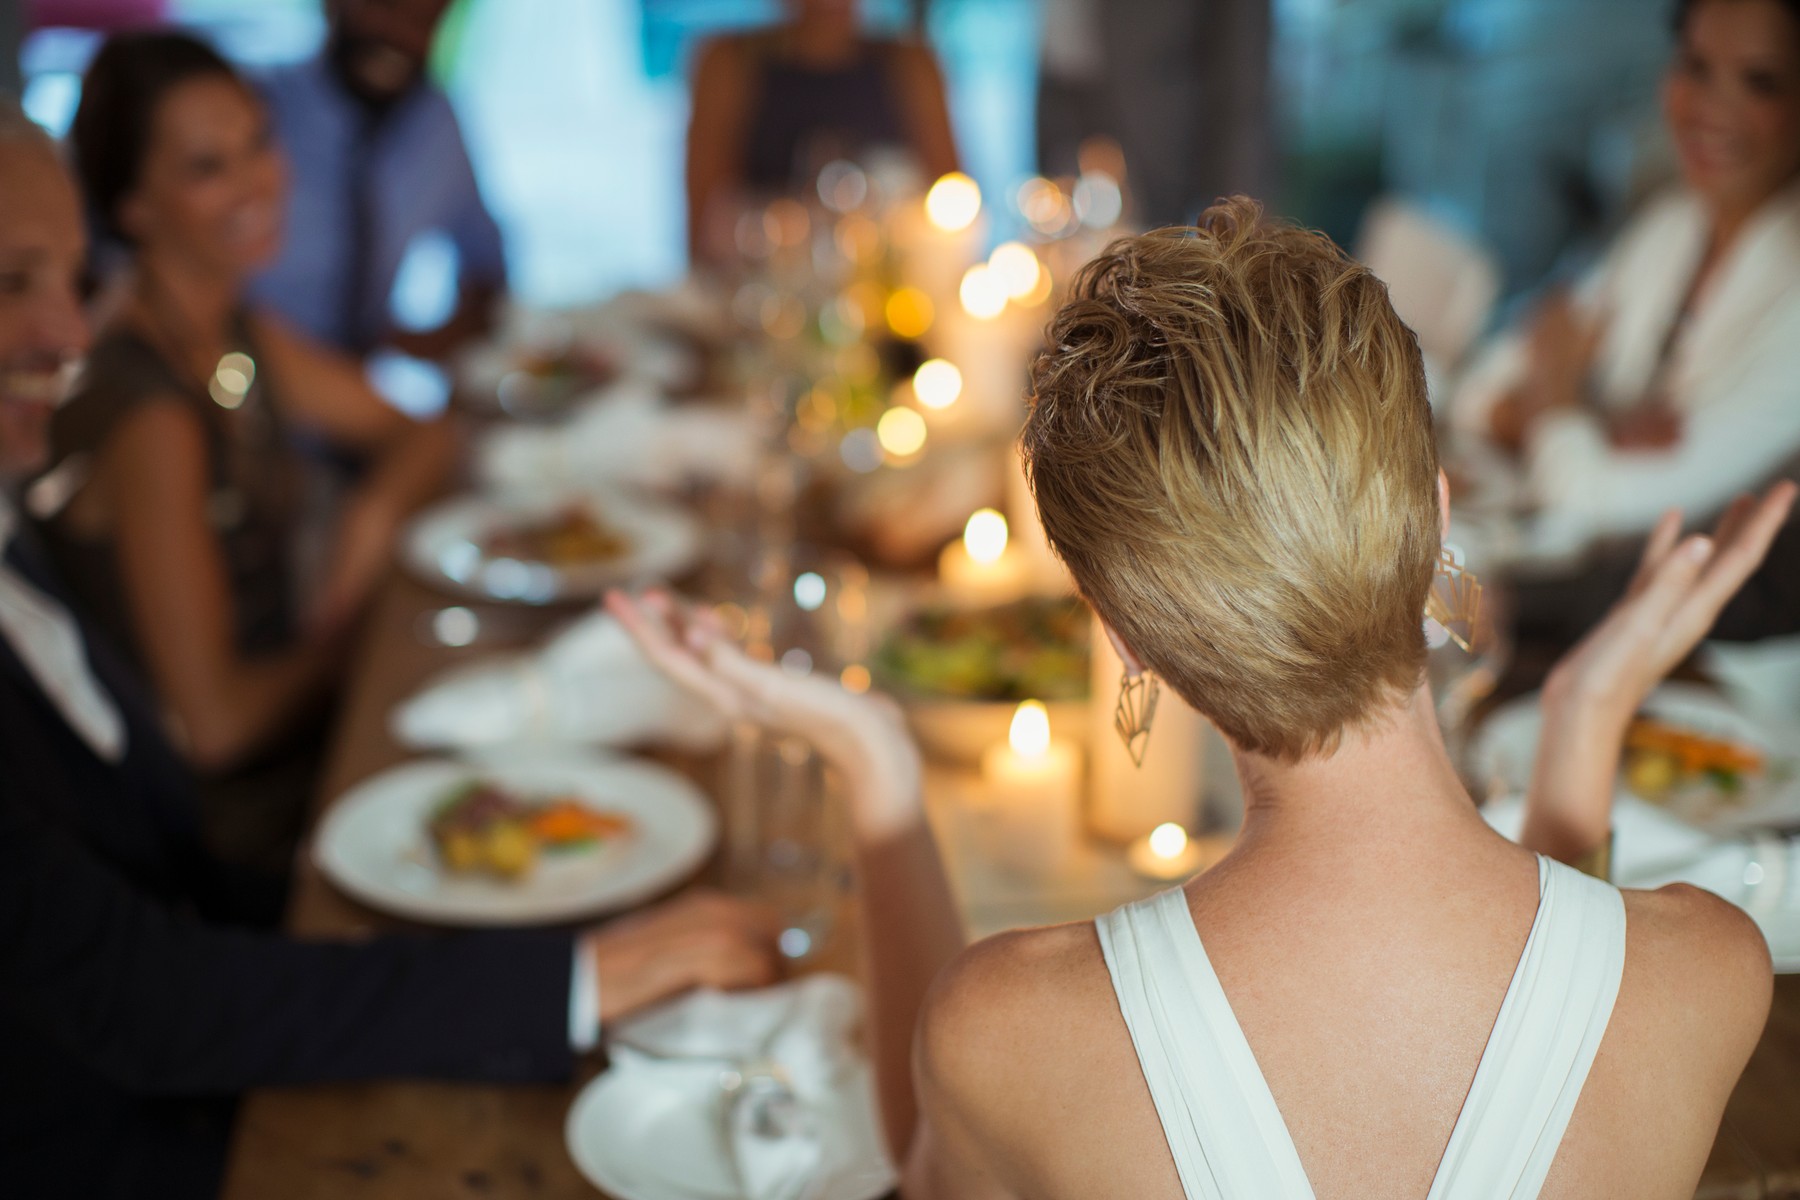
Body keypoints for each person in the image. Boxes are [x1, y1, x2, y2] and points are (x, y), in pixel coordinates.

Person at [613, 203, 1793, 1198]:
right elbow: (1569, 1014)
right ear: (1437, 514)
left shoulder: (1013, 1031)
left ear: (1123, 638)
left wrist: (876, 766)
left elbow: (924, 1168)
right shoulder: (1708, 976)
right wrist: (1586, 716)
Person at [0, 99, 781, 1200]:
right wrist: (566, 981)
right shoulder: (144, 415)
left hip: (201, 1021)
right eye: (10, 284)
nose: (69, 336)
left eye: (72, 282)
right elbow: (146, 1004)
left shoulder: (34, 518)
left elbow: (139, 912)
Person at [36, 31, 458, 867]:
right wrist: (351, 639)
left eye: (259, 143)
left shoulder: (227, 334)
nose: (257, 181)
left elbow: (424, 429)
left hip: (301, 761)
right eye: (207, 167)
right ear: (134, 208)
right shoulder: (150, 411)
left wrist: (372, 515)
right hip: (232, 838)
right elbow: (213, 728)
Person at [1450, 0, 1800, 546]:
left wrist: (1556, 387)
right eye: (1696, 67)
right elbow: (1478, 392)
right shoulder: (1671, 225)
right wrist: (1595, 426)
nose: (1710, 107)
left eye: (1762, 82)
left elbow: (1593, 498)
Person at [248, 0, 504, 359]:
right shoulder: (256, 107)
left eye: (423, 20)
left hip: (362, 380)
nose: (399, 33)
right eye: (385, 6)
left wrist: (418, 345)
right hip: (239, 372)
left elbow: (486, 264)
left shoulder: (436, 123)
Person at [686, 0, 958, 265]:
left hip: (883, 278)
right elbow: (705, 227)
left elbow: (952, 208)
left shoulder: (910, 66)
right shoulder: (731, 63)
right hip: (763, 282)